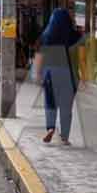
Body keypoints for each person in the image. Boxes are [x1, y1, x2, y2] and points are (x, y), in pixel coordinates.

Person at [35, 8, 81, 146]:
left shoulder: (46, 35)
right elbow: (82, 56)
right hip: (69, 73)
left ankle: (50, 128)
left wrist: (38, 74)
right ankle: (65, 137)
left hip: (50, 73)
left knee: (50, 102)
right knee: (66, 106)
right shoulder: (75, 36)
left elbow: (39, 56)